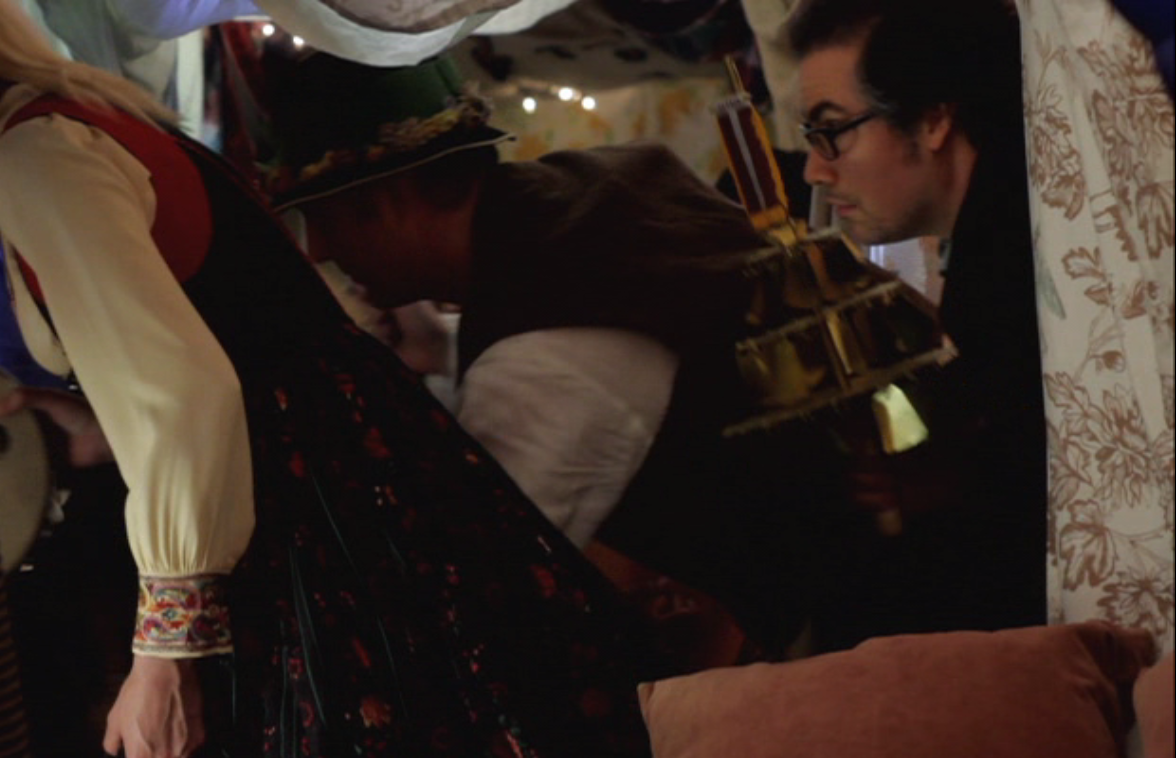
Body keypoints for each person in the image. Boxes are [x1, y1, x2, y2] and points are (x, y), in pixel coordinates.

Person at [0, 3, 661, 758]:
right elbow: (233, 351)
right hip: (345, 474)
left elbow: (186, 395)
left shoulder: (37, 155)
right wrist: (111, 427)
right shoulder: (95, 120)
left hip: (308, 514)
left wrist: (164, 655)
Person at [266, 52, 840, 657]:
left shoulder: (542, 354)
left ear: (395, 199)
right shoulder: (593, 193)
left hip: (809, 651)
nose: (320, 248)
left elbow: (484, 597)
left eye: (327, 217)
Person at [787, 0, 1050, 648]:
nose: (815, 168)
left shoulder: (1024, 262)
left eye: (833, 130)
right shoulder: (1002, 235)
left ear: (933, 119)